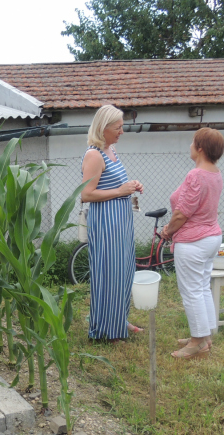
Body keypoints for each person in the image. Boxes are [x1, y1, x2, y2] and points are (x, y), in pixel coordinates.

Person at [81, 105, 144, 343]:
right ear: (103, 128)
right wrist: (120, 190)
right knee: (109, 274)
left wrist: (132, 185)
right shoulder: (94, 155)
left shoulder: (111, 150)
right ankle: (107, 330)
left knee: (125, 272)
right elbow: (86, 194)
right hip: (107, 224)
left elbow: (113, 183)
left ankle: (119, 320)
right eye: (118, 127)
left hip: (121, 221)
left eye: (122, 126)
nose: (122, 131)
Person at [160, 128, 224, 359]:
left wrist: (168, 230)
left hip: (194, 241)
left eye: (192, 142)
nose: (189, 146)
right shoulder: (215, 173)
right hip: (210, 237)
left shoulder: (195, 175)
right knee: (202, 287)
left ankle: (197, 343)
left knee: (192, 291)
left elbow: (181, 214)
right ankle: (205, 337)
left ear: (200, 148)